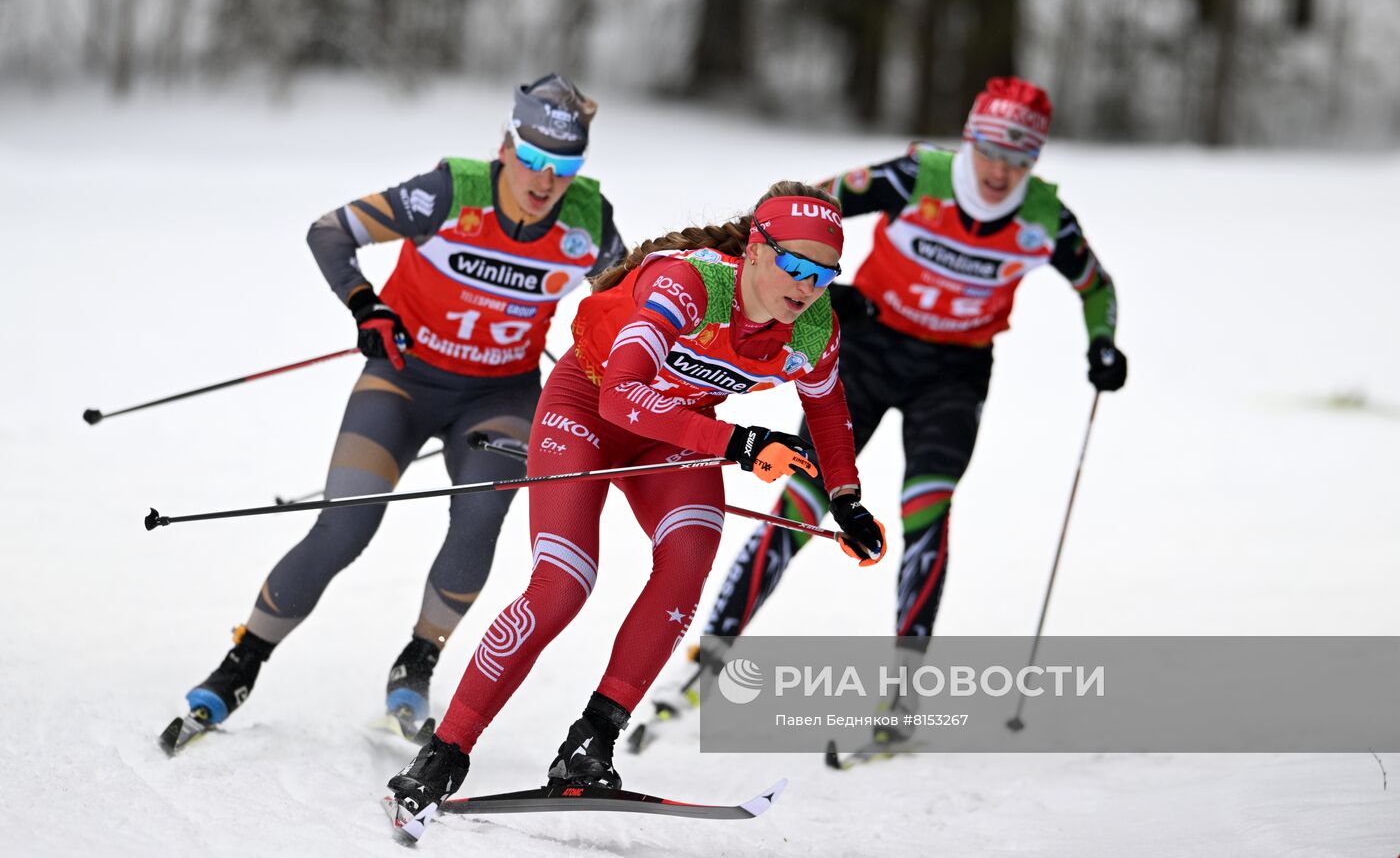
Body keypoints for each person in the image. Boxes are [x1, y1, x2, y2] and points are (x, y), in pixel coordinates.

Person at [383, 181, 888, 837]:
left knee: (687, 561)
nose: (805, 285)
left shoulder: (813, 327)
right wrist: (739, 442)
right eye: (793, 263)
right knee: (563, 584)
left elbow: (826, 408)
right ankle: (442, 755)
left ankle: (590, 743)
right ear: (757, 251)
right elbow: (622, 396)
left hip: (674, 430)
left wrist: (845, 497)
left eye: (823, 274)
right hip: (587, 407)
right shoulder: (688, 284)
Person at [641, 76, 1127, 742]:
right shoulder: (917, 176)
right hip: (865, 351)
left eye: (1019, 159)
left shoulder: (1044, 217)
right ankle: (711, 660)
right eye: (990, 150)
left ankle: (905, 693)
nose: (999, 170)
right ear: (970, 139)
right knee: (805, 498)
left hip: (953, 373)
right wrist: (812, 286)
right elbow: (799, 211)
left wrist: (1103, 345)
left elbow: (1097, 286)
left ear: (1035, 161)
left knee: (927, 508)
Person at [174, 74, 626, 737]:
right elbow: (328, 231)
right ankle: (241, 661)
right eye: (531, 160)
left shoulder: (589, 219)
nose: (543, 181)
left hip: (501, 396)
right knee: (345, 525)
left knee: (478, 519)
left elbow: (625, 308)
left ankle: (418, 659)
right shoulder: (448, 191)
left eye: (562, 169)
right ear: (506, 146)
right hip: (403, 380)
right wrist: (367, 304)